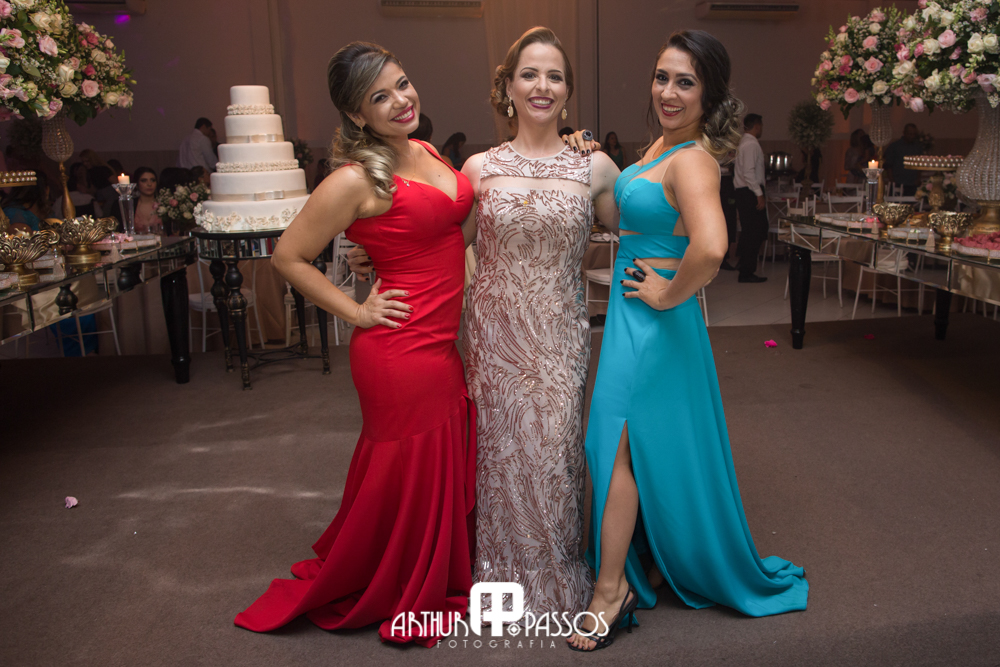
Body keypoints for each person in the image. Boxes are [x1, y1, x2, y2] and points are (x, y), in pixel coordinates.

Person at [567, 30, 808, 652]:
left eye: (685, 82)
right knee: (631, 444)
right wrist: (588, 155)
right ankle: (644, 559)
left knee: (615, 445)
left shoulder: (693, 159)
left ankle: (611, 590)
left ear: (710, 95)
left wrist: (666, 295)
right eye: (661, 77)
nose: (668, 93)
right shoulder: (661, 146)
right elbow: (626, 211)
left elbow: (712, 246)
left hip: (654, 324)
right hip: (634, 320)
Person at [234, 41, 476, 647]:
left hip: (440, 343)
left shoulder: (423, 150)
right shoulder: (353, 179)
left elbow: (444, 229)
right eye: (380, 96)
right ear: (355, 114)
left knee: (432, 463)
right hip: (398, 350)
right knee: (413, 466)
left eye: (402, 83)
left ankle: (415, 564)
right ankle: (405, 579)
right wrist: (358, 311)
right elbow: (288, 256)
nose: (401, 100)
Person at [460, 26, 620, 621]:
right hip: (494, 338)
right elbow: (440, 244)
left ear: (568, 91)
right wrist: (372, 257)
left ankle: (558, 579)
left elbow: (640, 232)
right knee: (500, 458)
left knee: (554, 456)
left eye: (554, 76)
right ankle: (499, 582)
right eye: (529, 74)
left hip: (558, 338)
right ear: (507, 87)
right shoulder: (478, 168)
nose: (541, 86)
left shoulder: (595, 167)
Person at [733, 112, 768, 283]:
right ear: (757, 126)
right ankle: (747, 271)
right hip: (749, 191)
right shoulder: (751, 144)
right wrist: (759, 193)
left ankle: (744, 264)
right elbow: (749, 172)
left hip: (745, 191)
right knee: (754, 232)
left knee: (752, 231)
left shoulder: (744, 143)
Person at [883, 123, 923, 195]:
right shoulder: (894, 146)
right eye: (909, 134)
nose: (911, 136)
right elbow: (888, 165)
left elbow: (920, 165)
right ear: (904, 133)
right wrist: (892, 181)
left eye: (913, 134)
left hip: (913, 184)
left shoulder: (917, 147)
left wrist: (918, 179)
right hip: (898, 182)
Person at [132, 167, 162, 234]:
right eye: (144, 180)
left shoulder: (164, 204)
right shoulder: (131, 205)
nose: (149, 184)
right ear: (136, 184)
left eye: (152, 180)